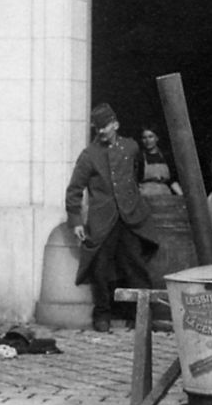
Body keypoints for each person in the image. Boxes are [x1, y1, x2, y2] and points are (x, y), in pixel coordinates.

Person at [66, 103, 158, 333]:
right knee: (100, 269)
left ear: (115, 124)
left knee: (135, 265)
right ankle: (102, 315)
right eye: (97, 127)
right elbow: (74, 190)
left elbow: (137, 175)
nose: (101, 131)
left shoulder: (131, 147)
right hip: (102, 221)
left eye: (105, 126)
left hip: (130, 218)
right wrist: (76, 221)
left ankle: (142, 316)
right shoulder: (89, 155)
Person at [134, 126, 181, 196]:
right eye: (144, 138)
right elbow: (135, 181)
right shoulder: (139, 158)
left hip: (166, 195)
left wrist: (181, 195)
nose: (147, 141)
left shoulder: (166, 157)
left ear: (157, 138)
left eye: (150, 137)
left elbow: (172, 181)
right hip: (146, 195)